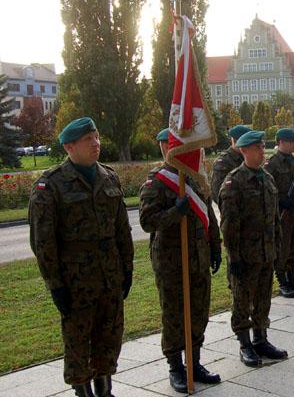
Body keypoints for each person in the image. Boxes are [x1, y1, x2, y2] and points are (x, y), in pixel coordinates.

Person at [29, 117, 134, 397]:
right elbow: (43, 242)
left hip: (110, 275)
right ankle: (82, 391)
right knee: (78, 341)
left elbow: (122, 229)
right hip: (76, 282)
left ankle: (104, 389)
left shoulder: (109, 177)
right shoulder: (50, 186)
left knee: (110, 336)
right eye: (88, 139)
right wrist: (56, 285)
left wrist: (127, 268)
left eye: (97, 137)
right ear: (69, 146)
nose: (96, 143)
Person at [139, 128, 222, 393]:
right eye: (167, 145)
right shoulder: (157, 182)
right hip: (172, 262)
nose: (172, 150)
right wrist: (175, 212)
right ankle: (176, 367)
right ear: (164, 148)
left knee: (198, 312)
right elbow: (147, 221)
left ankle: (194, 363)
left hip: (198, 258)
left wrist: (215, 246)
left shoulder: (194, 178)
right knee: (175, 316)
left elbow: (208, 214)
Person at [219, 130, 288, 367]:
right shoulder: (234, 181)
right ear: (244, 151)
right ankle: (244, 343)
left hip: (266, 252)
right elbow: (228, 225)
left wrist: (277, 247)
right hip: (245, 256)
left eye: (262, 147)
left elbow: (274, 219)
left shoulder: (267, 178)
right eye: (256, 148)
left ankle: (261, 338)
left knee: (263, 298)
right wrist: (234, 256)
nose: (262, 151)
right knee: (242, 300)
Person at [264, 128, 294, 298]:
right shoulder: (271, 164)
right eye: (291, 142)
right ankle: (283, 282)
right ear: (281, 142)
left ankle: (292, 279)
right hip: (282, 214)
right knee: (282, 248)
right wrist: (280, 202)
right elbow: (267, 191)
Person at [210, 125, 252, 205]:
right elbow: (217, 193)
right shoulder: (223, 162)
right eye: (247, 142)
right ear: (236, 141)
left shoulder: (249, 157)